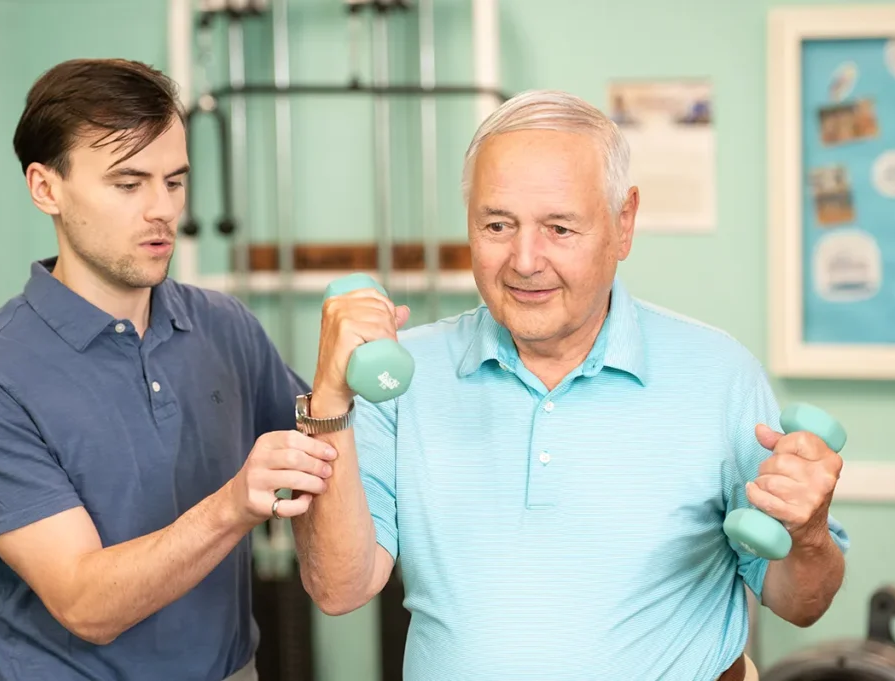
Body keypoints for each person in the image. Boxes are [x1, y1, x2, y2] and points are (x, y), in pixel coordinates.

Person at [290, 90, 850, 680]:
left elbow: (800, 602)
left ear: (623, 223)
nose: (525, 260)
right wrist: (330, 397)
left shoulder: (720, 374)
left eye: (559, 228)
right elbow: (339, 589)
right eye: (497, 225)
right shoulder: (402, 376)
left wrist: (810, 533)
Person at [0, 58, 332, 681]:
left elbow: (327, 457)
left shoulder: (225, 325)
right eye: (128, 183)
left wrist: (341, 379)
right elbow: (85, 604)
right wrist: (232, 505)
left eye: (174, 182)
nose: (162, 209)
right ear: (46, 188)